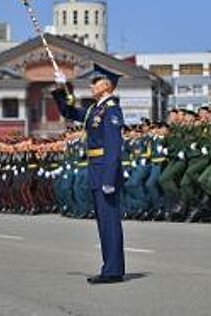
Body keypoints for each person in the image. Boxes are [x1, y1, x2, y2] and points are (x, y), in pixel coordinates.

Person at [52, 64, 126, 284]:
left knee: (109, 222)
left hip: (105, 171)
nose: (92, 85)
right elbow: (70, 112)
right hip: (96, 168)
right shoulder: (97, 110)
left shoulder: (111, 110)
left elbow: (113, 145)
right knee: (104, 223)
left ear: (107, 85)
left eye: (96, 81)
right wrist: (62, 88)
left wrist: (109, 178)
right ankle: (110, 267)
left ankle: (113, 270)